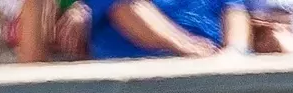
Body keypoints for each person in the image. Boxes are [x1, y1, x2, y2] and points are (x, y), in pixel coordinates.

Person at [87, 0, 251, 57]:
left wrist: (235, 51)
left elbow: (234, 9)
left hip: (214, 71)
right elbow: (126, 10)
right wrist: (187, 46)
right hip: (145, 84)